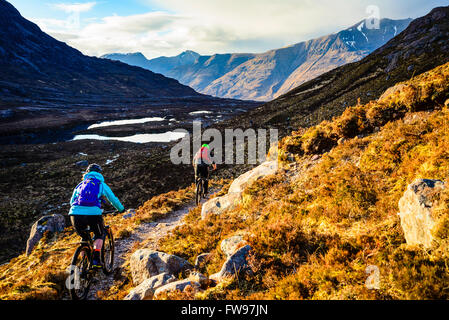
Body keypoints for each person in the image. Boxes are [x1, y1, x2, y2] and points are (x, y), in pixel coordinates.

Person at [69, 164, 125, 268]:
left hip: (75, 214)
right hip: (93, 213)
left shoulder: (80, 184)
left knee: (84, 238)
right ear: (99, 173)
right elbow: (112, 198)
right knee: (100, 234)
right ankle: (95, 259)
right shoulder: (101, 184)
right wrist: (121, 209)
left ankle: (83, 263)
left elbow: (72, 201)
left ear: (87, 173)